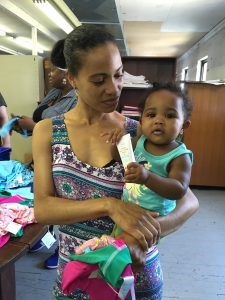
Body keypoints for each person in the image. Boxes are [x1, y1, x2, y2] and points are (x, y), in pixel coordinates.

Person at [32, 24, 199, 299]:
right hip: (79, 275)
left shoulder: (137, 131)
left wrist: (136, 239)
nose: (114, 88)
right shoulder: (49, 131)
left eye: (119, 75)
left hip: (135, 273)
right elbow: (44, 209)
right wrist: (110, 206)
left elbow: (189, 200)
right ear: (73, 78)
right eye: (99, 80)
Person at [12, 39, 77, 269]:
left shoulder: (77, 99)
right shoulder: (55, 93)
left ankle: (63, 250)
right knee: (42, 199)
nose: (49, 75)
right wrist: (22, 124)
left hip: (65, 158)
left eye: (52, 71)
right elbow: (40, 120)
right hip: (44, 154)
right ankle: (42, 238)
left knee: (66, 204)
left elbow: (58, 127)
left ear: (68, 72)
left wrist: (32, 124)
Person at [103, 82, 193, 235]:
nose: (158, 120)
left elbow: (179, 190)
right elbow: (119, 157)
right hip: (128, 212)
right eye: (151, 115)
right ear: (142, 120)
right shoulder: (140, 141)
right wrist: (117, 142)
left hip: (152, 218)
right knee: (115, 248)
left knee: (123, 251)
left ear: (184, 125)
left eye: (170, 116)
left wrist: (147, 177)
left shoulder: (180, 156)